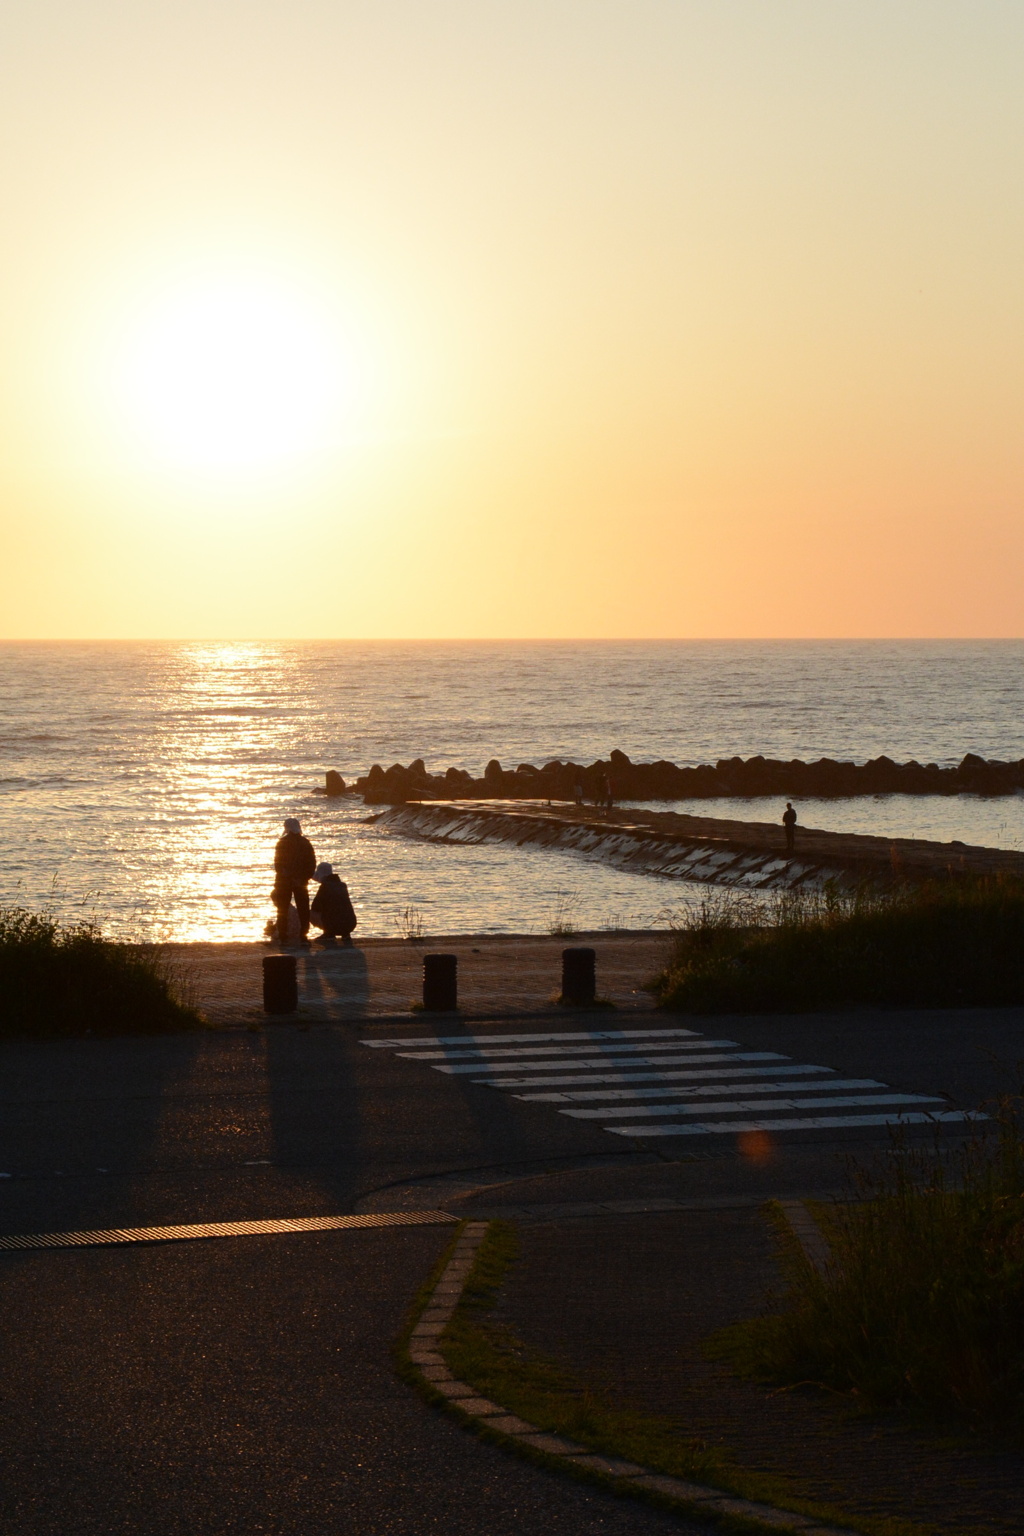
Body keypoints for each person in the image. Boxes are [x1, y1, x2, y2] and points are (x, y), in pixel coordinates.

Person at [272, 817, 317, 946]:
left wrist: (288, 876)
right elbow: (311, 864)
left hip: (284, 882)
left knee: (282, 909)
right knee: (303, 909)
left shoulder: (282, 843)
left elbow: (278, 865)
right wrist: (302, 878)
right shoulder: (305, 843)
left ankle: (283, 936)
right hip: (301, 882)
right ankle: (303, 936)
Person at [310, 862, 358, 946]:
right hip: (350, 925)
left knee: (310, 912)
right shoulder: (342, 885)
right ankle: (345, 935)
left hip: (333, 925)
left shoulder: (324, 887)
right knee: (340, 910)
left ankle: (328, 933)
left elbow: (315, 907)